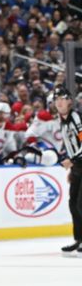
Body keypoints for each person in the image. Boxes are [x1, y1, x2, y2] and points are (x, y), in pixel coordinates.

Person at [54, 87, 82, 256]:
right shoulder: (62, 121)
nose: (59, 101)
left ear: (70, 101)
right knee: (73, 203)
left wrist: (72, 160)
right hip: (77, 166)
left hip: (79, 162)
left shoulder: (75, 117)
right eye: (56, 98)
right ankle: (78, 238)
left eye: (62, 98)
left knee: (80, 203)